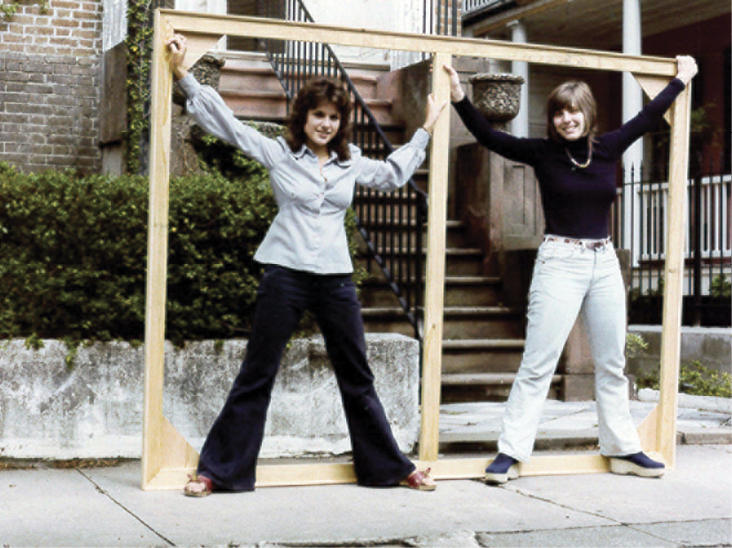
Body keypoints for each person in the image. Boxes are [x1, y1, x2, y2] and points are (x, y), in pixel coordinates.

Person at [167, 33, 447, 497]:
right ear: (304, 117)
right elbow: (230, 127)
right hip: (285, 274)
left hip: (335, 280)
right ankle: (218, 472)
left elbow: (394, 174)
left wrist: (426, 129)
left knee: (357, 375)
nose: (326, 124)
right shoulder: (280, 154)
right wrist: (184, 76)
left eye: (334, 118)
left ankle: (389, 467)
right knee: (257, 373)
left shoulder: (351, 162)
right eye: (319, 115)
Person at [443, 56, 698, 484]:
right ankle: (511, 452)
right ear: (553, 119)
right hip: (559, 261)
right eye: (560, 112)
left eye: (575, 110)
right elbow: (489, 136)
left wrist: (681, 80)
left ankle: (622, 449)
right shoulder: (543, 153)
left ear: (588, 114)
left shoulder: (609, 147)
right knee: (538, 363)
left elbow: (649, 116)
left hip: (604, 262)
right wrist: (458, 98)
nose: (567, 119)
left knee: (612, 363)